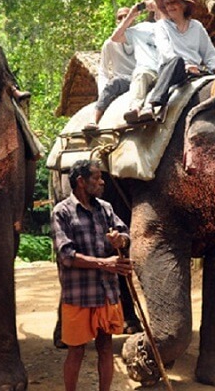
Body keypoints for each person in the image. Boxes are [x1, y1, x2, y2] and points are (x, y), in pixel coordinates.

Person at [51, 159, 133, 391]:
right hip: (79, 296)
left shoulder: (105, 208)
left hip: (107, 293)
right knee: (76, 351)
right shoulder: (62, 212)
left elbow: (125, 233)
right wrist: (104, 264)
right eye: (96, 178)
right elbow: (66, 255)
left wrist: (121, 239)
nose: (102, 182)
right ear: (80, 181)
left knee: (105, 347)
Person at [142, 0, 215, 120]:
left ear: (184, 5)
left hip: (195, 71)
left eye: (174, 2)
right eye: (167, 4)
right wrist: (185, 66)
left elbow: (209, 54)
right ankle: (151, 104)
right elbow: (166, 52)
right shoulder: (161, 26)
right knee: (177, 61)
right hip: (171, 68)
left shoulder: (197, 26)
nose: (170, 6)